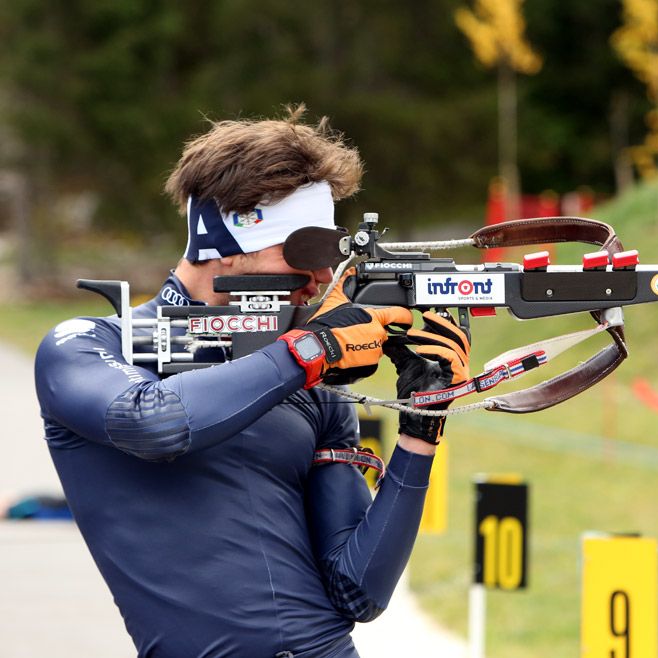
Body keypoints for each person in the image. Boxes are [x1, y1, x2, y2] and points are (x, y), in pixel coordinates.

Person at [34, 106, 470, 658]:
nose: (320, 279)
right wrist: (315, 346)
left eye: (331, 254)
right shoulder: (87, 345)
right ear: (224, 236)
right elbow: (155, 421)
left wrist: (421, 428)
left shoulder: (312, 383)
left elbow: (357, 591)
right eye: (305, 250)